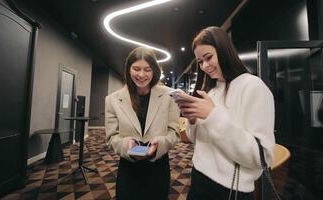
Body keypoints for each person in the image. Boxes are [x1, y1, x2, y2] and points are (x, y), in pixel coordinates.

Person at [175, 26, 275, 200]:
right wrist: (191, 120)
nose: (205, 66)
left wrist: (212, 115)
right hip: (198, 178)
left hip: (230, 189)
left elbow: (262, 157)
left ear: (224, 50)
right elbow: (195, 140)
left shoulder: (253, 86)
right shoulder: (212, 91)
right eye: (200, 61)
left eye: (208, 57)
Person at [105, 47, 180, 200]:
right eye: (136, 69)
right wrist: (127, 144)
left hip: (158, 167)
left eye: (147, 69)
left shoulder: (169, 95)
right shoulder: (112, 99)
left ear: (154, 71)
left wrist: (159, 144)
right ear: (128, 69)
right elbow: (112, 137)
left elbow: (174, 131)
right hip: (128, 168)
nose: (141, 75)